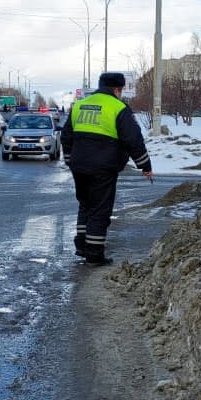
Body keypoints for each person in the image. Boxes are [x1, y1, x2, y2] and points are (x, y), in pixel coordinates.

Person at [60, 71, 153, 265]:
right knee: (100, 209)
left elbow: (66, 136)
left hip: (79, 167)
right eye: (121, 90)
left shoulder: (79, 105)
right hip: (103, 168)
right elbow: (133, 140)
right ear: (117, 89)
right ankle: (94, 253)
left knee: (85, 205)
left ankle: (82, 246)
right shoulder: (118, 108)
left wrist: (70, 160)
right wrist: (145, 165)